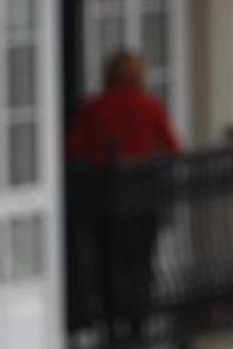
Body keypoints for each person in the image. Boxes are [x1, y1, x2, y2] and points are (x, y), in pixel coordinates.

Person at [67, 51, 181, 346]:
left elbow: (74, 149)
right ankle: (137, 324)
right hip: (142, 200)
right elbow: (172, 147)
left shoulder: (95, 108)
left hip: (105, 201)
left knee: (107, 264)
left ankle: (112, 323)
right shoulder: (149, 106)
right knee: (140, 264)